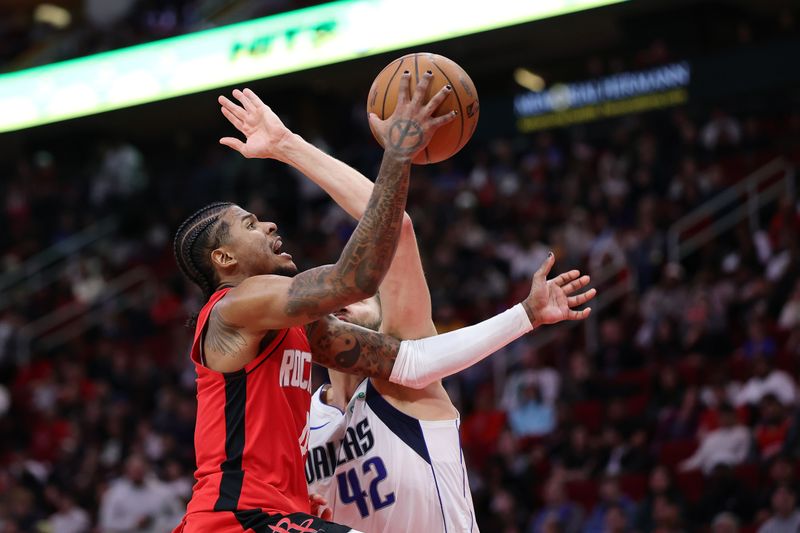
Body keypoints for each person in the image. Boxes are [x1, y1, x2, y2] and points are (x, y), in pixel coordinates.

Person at [171, 77, 595, 533]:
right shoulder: (234, 305)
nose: (270, 225)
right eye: (251, 224)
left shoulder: (310, 340)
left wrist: (524, 315)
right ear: (224, 258)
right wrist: (397, 155)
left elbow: (411, 360)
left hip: (271, 515)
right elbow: (354, 278)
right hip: (235, 518)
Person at [98, 454, 184, 533]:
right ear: (126, 470)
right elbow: (106, 523)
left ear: (146, 468)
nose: (137, 473)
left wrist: (163, 525)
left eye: (139, 469)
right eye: (134, 469)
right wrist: (133, 523)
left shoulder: (162, 491)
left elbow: (181, 517)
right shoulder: (115, 494)